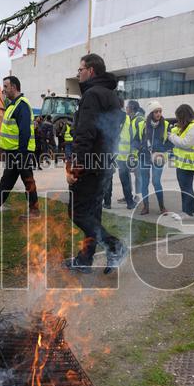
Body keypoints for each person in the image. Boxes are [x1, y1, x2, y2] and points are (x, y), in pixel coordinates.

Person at [65, 53, 127, 273]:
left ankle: (114, 246)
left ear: (91, 70)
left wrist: (76, 166)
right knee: (93, 213)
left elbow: (85, 133)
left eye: (80, 69)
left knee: (78, 212)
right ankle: (85, 259)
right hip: (105, 163)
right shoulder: (112, 96)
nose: (78, 73)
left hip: (90, 164)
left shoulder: (92, 95)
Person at [0, 76, 39, 218]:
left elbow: (25, 131)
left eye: (6, 86)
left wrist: (22, 153)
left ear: (14, 87)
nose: (3, 90)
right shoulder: (13, 105)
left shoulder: (21, 105)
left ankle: (34, 211)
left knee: (28, 180)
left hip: (20, 151)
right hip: (14, 151)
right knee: (7, 180)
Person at [167, 104, 194, 216]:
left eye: (179, 117)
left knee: (186, 188)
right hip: (182, 163)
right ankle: (190, 210)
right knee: (186, 188)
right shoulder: (187, 127)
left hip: (188, 164)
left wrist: (171, 137)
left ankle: (187, 212)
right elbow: (176, 131)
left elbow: (185, 143)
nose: (178, 120)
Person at [135, 100, 171, 215]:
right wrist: (141, 147)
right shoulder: (142, 125)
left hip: (158, 158)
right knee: (144, 183)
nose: (158, 114)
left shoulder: (166, 125)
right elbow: (135, 141)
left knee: (156, 181)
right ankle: (146, 207)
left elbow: (171, 142)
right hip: (144, 157)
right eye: (156, 112)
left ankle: (162, 207)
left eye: (160, 111)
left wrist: (160, 150)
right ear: (151, 113)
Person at [110, 102, 137, 209]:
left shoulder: (110, 116)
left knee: (107, 178)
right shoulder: (126, 118)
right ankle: (130, 202)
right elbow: (132, 135)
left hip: (112, 152)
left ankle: (106, 202)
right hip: (123, 155)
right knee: (125, 180)